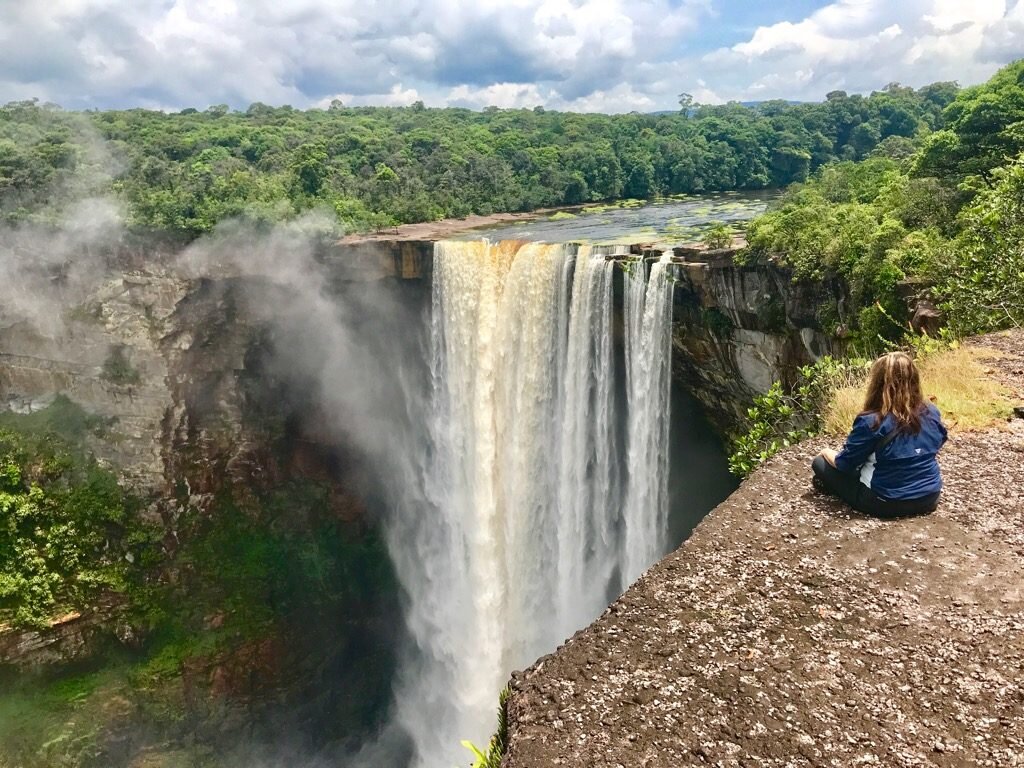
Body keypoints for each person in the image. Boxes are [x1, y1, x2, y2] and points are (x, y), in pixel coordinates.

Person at [812, 351, 947, 518]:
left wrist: (826, 452)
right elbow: (938, 442)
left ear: (877, 384)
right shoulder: (932, 413)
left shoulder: (871, 421)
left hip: (884, 501)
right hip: (929, 497)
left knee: (820, 463)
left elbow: (844, 464)